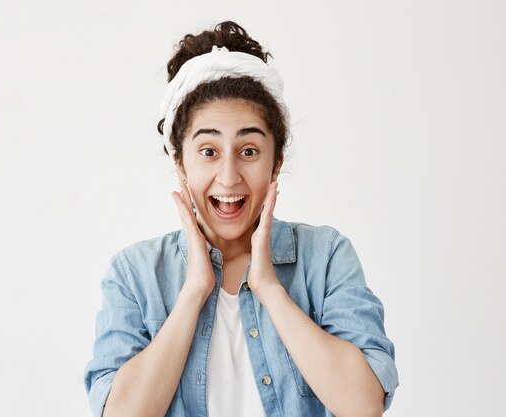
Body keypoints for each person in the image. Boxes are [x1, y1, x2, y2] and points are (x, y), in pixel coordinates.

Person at [84, 21, 398, 417]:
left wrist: (267, 285)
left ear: (275, 163)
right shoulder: (134, 273)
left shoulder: (327, 256)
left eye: (249, 151)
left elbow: (363, 405)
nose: (229, 176)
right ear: (180, 163)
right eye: (209, 151)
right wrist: (194, 289)